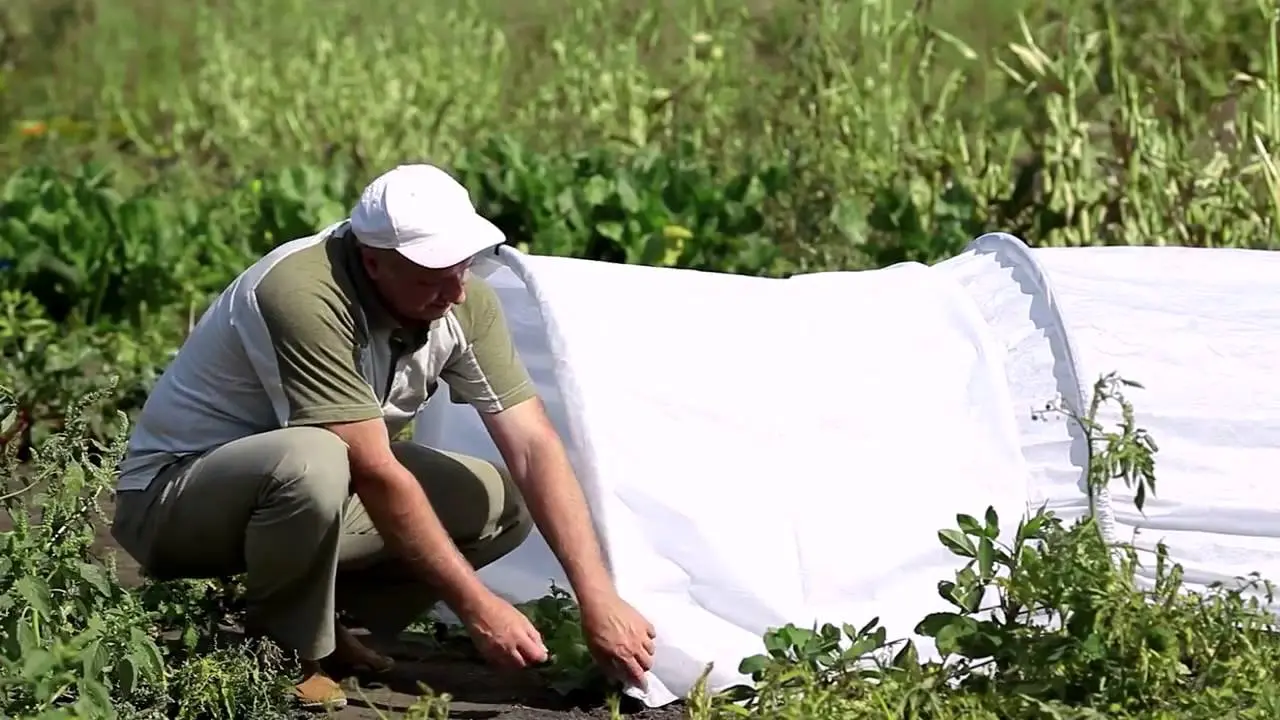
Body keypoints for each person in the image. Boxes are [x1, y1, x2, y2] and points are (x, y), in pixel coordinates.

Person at [110, 163, 656, 711]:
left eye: (460, 266)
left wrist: (598, 596)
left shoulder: (463, 301)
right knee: (315, 458)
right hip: (174, 499)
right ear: (372, 261)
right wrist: (477, 607)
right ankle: (280, 651)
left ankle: (319, 622)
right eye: (429, 275)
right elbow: (372, 468)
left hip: (305, 493)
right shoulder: (304, 292)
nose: (453, 291)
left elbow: (533, 446)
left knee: (497, 503)